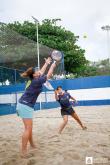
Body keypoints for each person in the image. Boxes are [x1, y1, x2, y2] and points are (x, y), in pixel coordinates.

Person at [16, 57, 57, 157]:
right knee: (28, 129)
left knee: (29, 128)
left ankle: (32, 144)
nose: (39, 72)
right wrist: (52, 65)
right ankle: (23, 152)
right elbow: (48, 75)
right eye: (37, 72)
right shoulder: (36, 81)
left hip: (24, 105)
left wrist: (46, 63)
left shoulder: (34, 79)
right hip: (25, 105)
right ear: (34, 75)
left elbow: (42, 72)